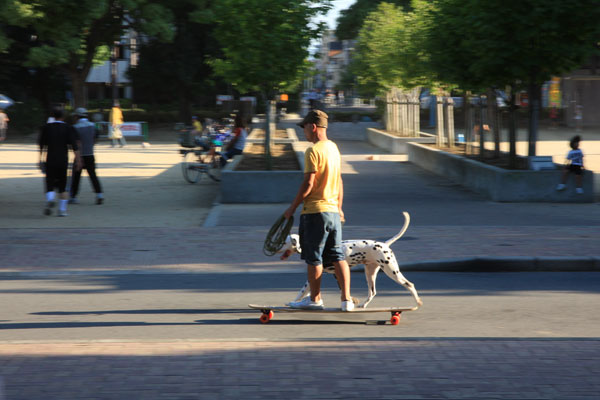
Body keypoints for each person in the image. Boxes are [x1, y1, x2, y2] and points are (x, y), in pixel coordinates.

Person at [283, 109, 354, 311]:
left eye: (304, 127)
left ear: (313, 127)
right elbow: (339, 180)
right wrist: (339, 208)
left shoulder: (313, 151)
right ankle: (346, 300)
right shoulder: (334, 148)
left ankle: (315, 299)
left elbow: (308, 183)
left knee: (314, 257)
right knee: (337, 255)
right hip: (332, 212)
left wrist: (292, 208)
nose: (303, 132)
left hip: (315, 212)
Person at [39, 108, 82, 217]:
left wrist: (40, 159)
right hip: (63, 160)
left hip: (50, 159)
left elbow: (41, 146)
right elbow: (74, 146)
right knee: (63, 186)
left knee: (49, 182)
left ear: (53, 116)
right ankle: (62, 210)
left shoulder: (47, 128)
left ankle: (50, 199)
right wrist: (78, 160)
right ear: (63, 117)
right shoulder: (68, 128)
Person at [69, 107, 104, 205]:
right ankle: (99, 194)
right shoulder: (93, 126)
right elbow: (96, 139)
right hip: (90, 154)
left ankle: (73, 197)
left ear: (77, 116)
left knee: (76, 177)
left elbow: (75, 143)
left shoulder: (75, 127)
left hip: (79, 155)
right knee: (93, 175)